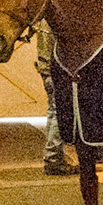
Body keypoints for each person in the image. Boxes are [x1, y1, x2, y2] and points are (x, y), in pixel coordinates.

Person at [36, 25, 74, 175]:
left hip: (48, 72)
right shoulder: (51, 23)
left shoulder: (43, 24)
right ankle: (53, 159)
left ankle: (52, 157)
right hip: (54, 73)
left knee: (53, 112)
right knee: (58, 113)